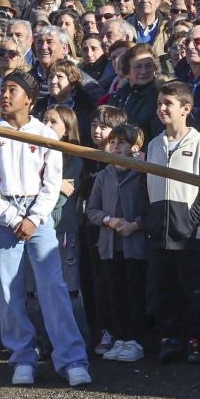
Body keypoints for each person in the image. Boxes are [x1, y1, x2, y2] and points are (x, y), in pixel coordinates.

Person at [0, 72, 91, 388]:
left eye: (13, 90)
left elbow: (52, 181)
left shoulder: (43, 134)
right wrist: (12, 218)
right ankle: (23, 357)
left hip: (38, 216)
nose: (5, 95)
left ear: (29, 98)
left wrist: (34, 217)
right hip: (4, 218)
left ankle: (71, 358)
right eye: (3, 89)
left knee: (52, 287)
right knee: (9, 290)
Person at [143, 82, 200, 366]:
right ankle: (169, 339)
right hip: (159, 232)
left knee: (194, 289)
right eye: (160, 103)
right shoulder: (153, 145)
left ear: (186, 109)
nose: (162, 108)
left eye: (168, 103)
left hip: (188, 234)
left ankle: (197, 340)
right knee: (164, 289)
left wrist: (190, 220)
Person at [85, 121, 150, 364]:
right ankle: (121, 337)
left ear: (136, 147)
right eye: (112, 142)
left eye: (122, 142)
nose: (116, 146)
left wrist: (137, 224)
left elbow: (150, 208)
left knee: (136, 292)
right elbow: (91, 210)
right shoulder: (103, 176)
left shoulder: (143, 174)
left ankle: (136, 339)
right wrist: (108, 220)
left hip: (136, 244)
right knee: (115, 292)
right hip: (110, 245)